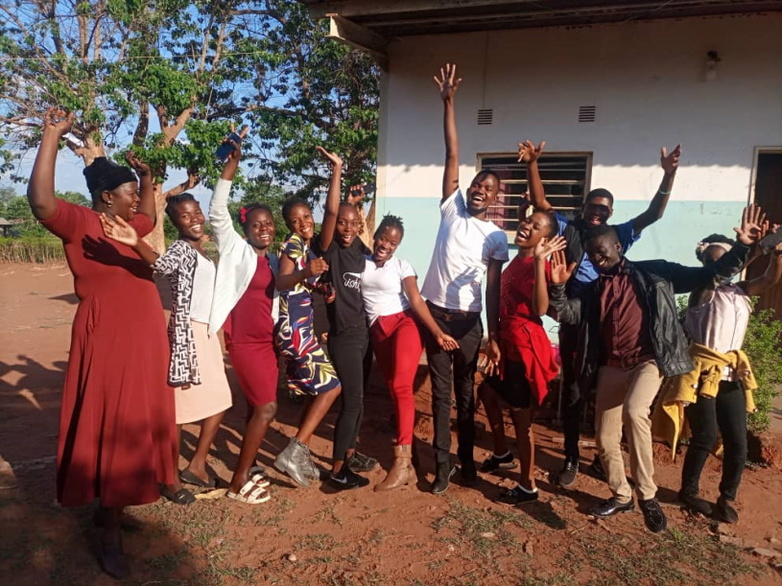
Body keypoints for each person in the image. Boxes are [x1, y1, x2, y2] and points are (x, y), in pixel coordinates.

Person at [26, 108, 177, 579]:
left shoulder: (134, 224)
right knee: (113, 419)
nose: (137, 199)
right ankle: (108, 527)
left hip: (145, 335)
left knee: (136, 416)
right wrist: (51, 135)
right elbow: (41, 202)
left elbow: (150, 215)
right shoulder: (80, 223)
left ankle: (113, 507)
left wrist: (149, 178)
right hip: (107, 334)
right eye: (129, 191)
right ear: (107, 196)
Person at [547, 207, 760, 533]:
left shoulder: (656, 273)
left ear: (618, 247)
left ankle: (647, 496)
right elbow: (565, 313)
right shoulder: (592, 289)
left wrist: (743, 247)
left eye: (600, 251)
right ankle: (621, 494)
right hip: (611, 367)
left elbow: (709, 274)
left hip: (648, 361)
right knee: (605, 438)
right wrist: (559, 286)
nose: (595, 257)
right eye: (590, 254)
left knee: (635, 411)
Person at [519, 138, 682, 489]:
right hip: (577, 320)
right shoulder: (571, 229)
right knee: (576, 390)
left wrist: (668, 176)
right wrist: (533, 164)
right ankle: (572, 457)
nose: (597, 212)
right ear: (583, 206)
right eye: (593, 206)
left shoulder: (617, 235)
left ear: (611, 213)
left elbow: (654, 215)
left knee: (608, 393)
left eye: (604, 209)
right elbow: (540, 203)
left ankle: (602, 458)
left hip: (611, 322)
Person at [99, 192, 232, 493]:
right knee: (181, 411)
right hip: (189, 335)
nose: (195, 219)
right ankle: (169, 477)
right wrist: (136, 243)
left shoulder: (202, 251)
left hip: (206, 333)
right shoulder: (182, 249)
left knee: (221, 400)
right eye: (185, 216)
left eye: (196, 212)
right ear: (175, 223)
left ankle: (195, 465)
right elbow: (161, 266)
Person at [654, 221, 782, 524]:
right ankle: (689, 490)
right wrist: (755, 248)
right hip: (701, 374)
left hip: (731, 373)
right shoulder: (703, 290)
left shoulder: (741, 291)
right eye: (712, 259)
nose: (719, 263)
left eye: (722, 256)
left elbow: (768, 280)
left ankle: (727, 496)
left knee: (738, 440)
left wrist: (775, 254)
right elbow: (726, 272)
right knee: (706, 434)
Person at [422, 63, 510, 494]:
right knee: (440, 396)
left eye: (488, 188)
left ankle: (468, 462)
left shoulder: (496, 237)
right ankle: (442, 467)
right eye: (477, 183)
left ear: (495, 199)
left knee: (466, 395)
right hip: (436, 316)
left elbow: (493, 289)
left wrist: (493, 334)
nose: (479, 189)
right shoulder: (451, 208)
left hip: (470, 324)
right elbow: (452, 153)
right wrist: (449, 102)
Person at [362, 215, 459, 491]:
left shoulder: (402, 265)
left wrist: (437, 332)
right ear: (375, 235)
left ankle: (401, 463)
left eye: (393, 242)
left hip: (405, 323)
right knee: (393, 388)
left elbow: (415, 300)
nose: (386, 245)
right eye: (383, 238)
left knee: (402, 387)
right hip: (378, 332)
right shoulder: (360, 263)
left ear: (398, 245)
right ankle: (412, 454)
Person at [208, 132, 281, 504]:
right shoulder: (236, 248)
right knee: (267, 408)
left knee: (259, 406)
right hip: (244, 342)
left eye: (268, 224)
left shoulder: (272, 258)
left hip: (267, 342)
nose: (264, 229)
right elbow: (217, 212)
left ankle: (248, 465)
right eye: (257, 225)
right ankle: (237, 484)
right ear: (246, 227)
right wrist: (231, 165)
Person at [479, 212, 565, 504]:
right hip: (507, 340)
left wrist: (541, 262)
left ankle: (528, 485)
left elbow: (540, 309)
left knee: (521, 416)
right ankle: (503, 454)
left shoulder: (539, 264)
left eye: (536, 226)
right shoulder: (517, 258)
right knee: (487, 391)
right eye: (527, 222)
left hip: (525, 346)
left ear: (545, 238)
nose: (527, 226)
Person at [273, 148, 344, 487]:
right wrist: (305, 274)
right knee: (331, 388)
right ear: (289, 225)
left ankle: (299, 450)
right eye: (296, 221)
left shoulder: (308, 245)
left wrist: (319, 290)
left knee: (321, 390)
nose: (303, 224)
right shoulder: (292, 246)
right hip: (296, 331)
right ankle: (295, 450)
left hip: (302, 329)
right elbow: (282, 281)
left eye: (305, 218)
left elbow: (331, 212)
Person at [312, 179, 378, 491]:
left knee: (361, 401)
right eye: (342, 223)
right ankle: (337, 471)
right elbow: (329, 212)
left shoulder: (360, 252)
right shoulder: (332, 250)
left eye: (354, 223)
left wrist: (355, 205)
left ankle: (349, 456)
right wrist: (338, 173)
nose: (347, 228)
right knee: (351, 402)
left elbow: (360, 231)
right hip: (344, 337)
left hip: (363, 333)